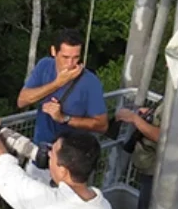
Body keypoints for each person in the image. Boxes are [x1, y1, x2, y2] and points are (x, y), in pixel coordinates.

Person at [17, 29, 109, 182]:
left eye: (76, 58)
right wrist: (57, 83)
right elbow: (22, 101)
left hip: (71, 163)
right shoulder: (44, 66)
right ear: (54, 51)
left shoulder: (90, 82)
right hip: (42, 152)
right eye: (65, 57)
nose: (71, 64)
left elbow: (102, 125)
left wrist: (64, 118)